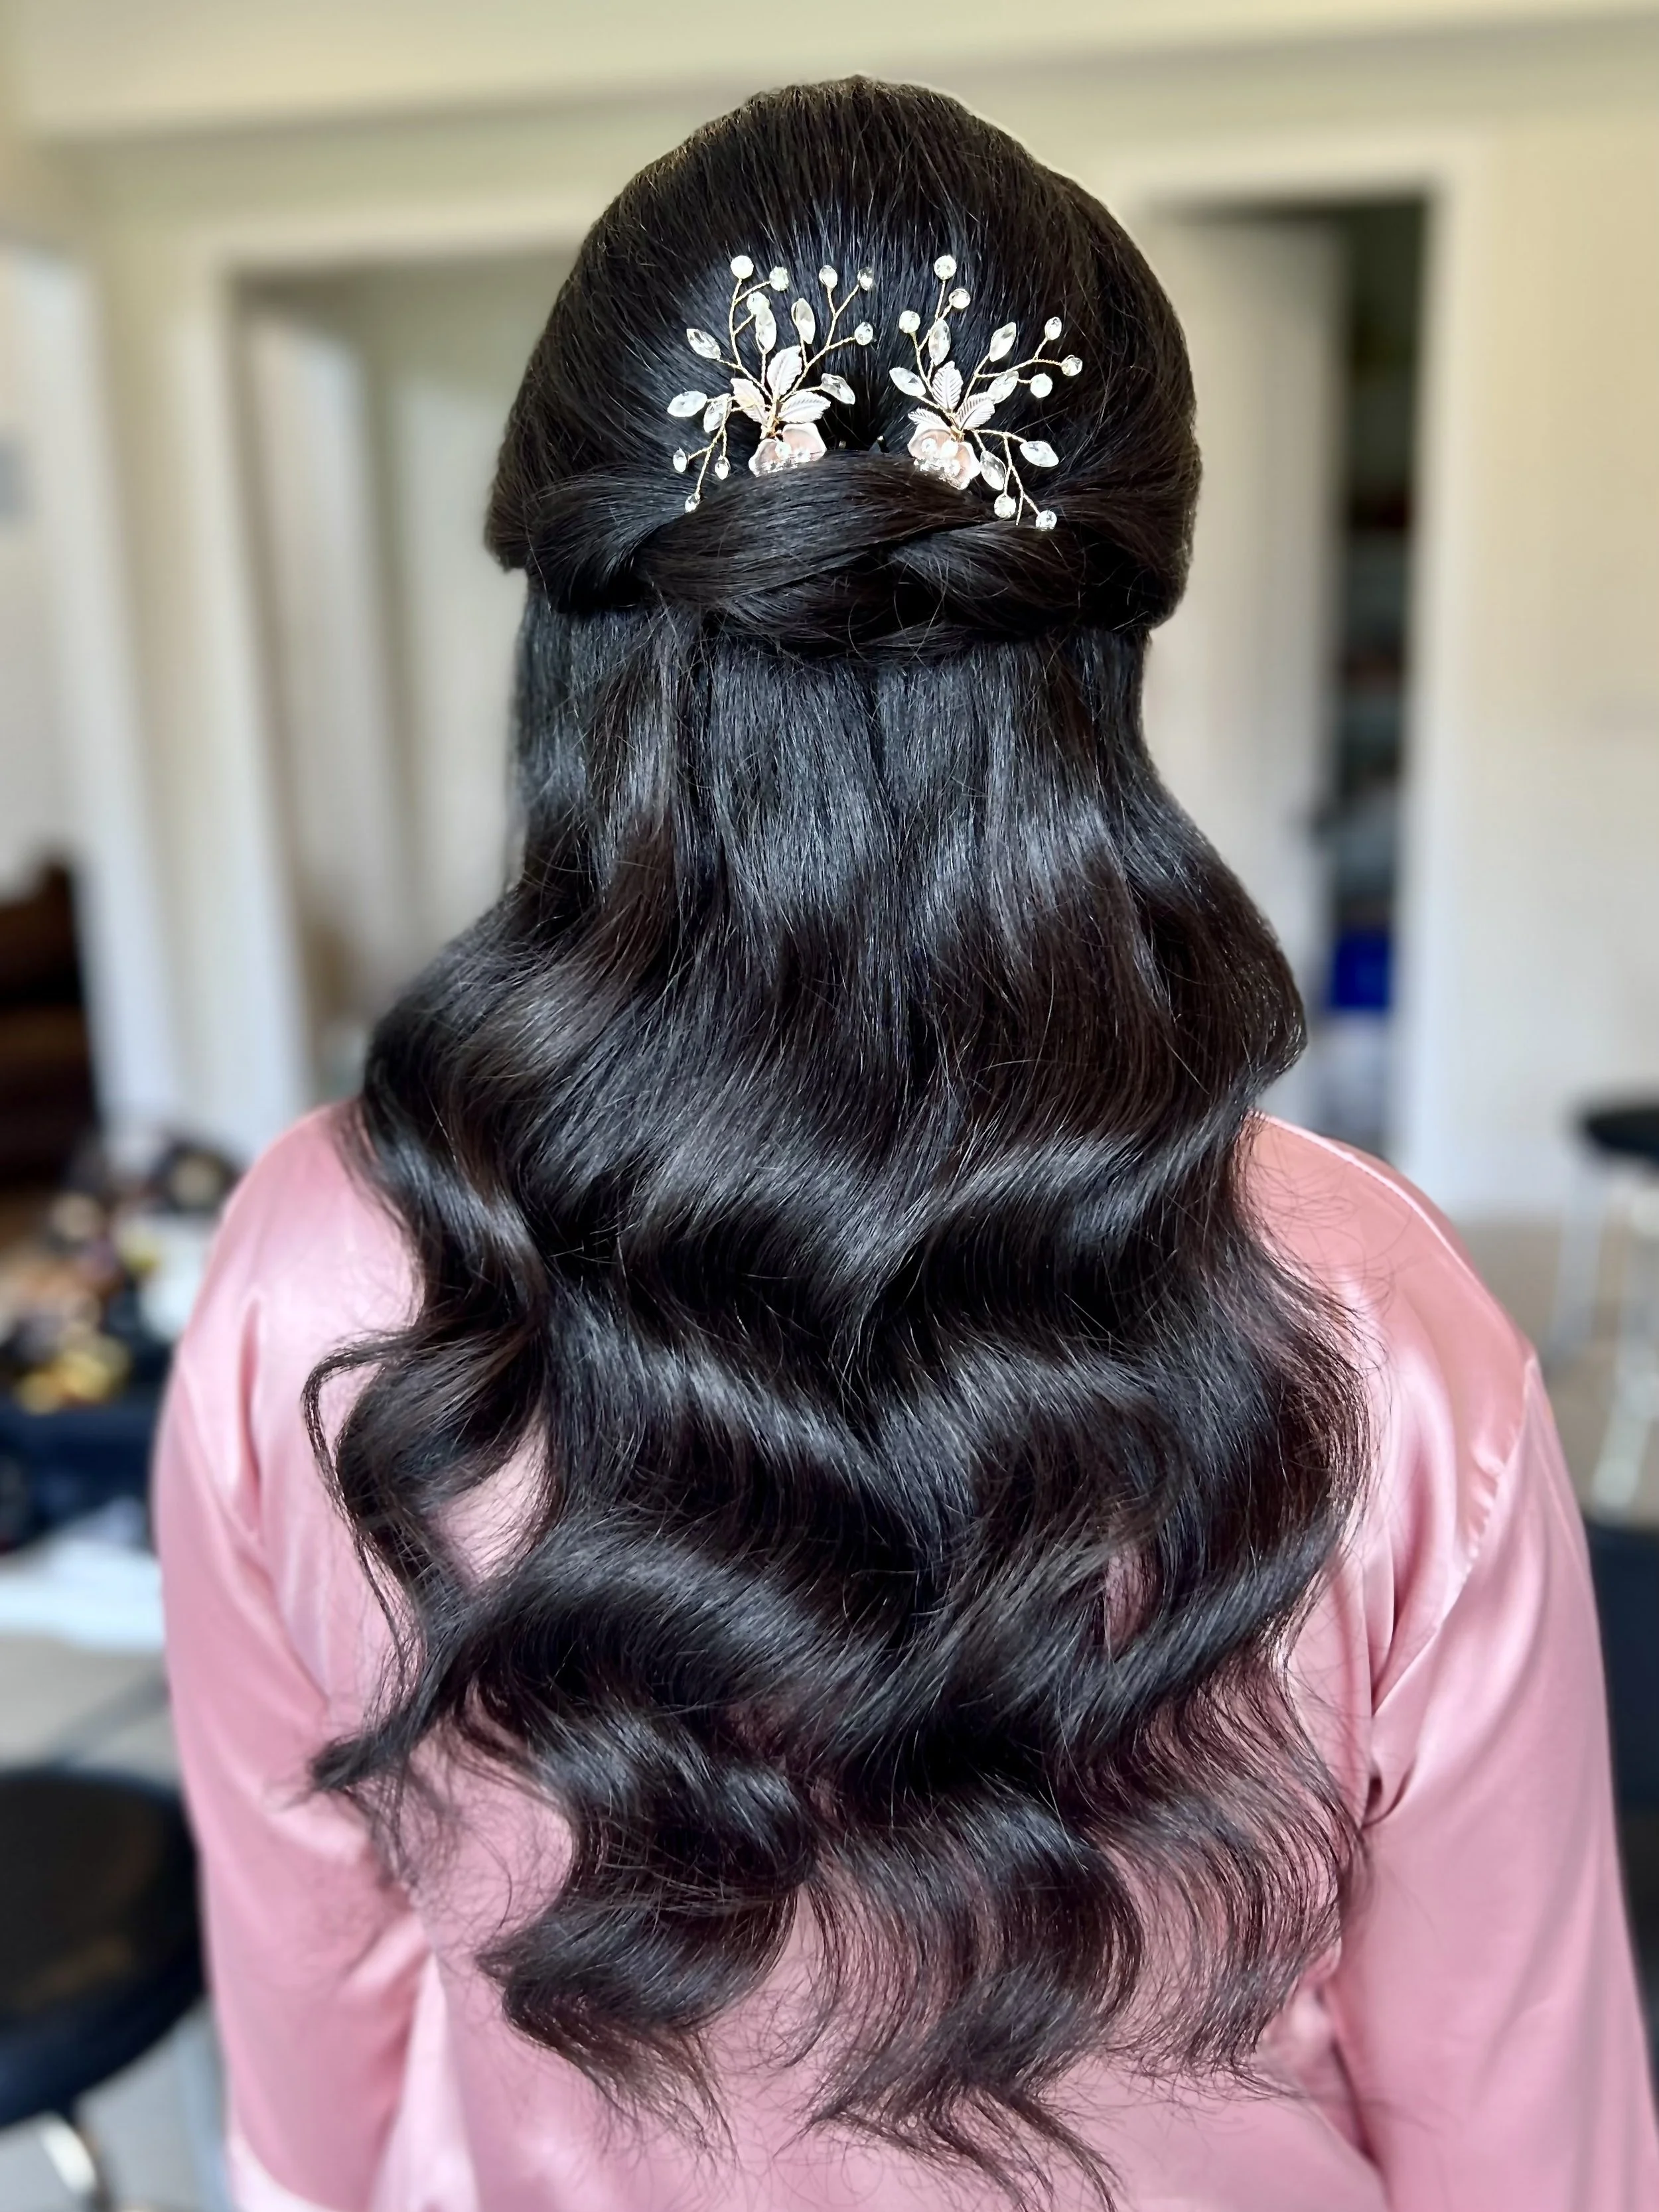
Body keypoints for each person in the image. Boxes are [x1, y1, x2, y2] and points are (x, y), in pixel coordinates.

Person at [155, 78, 1658, 2212]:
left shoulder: (315, 1266)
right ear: (1100, 647)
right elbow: (1526, 2134)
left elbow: (310, 2012)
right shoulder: (1379, 1335)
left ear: (570, 626)